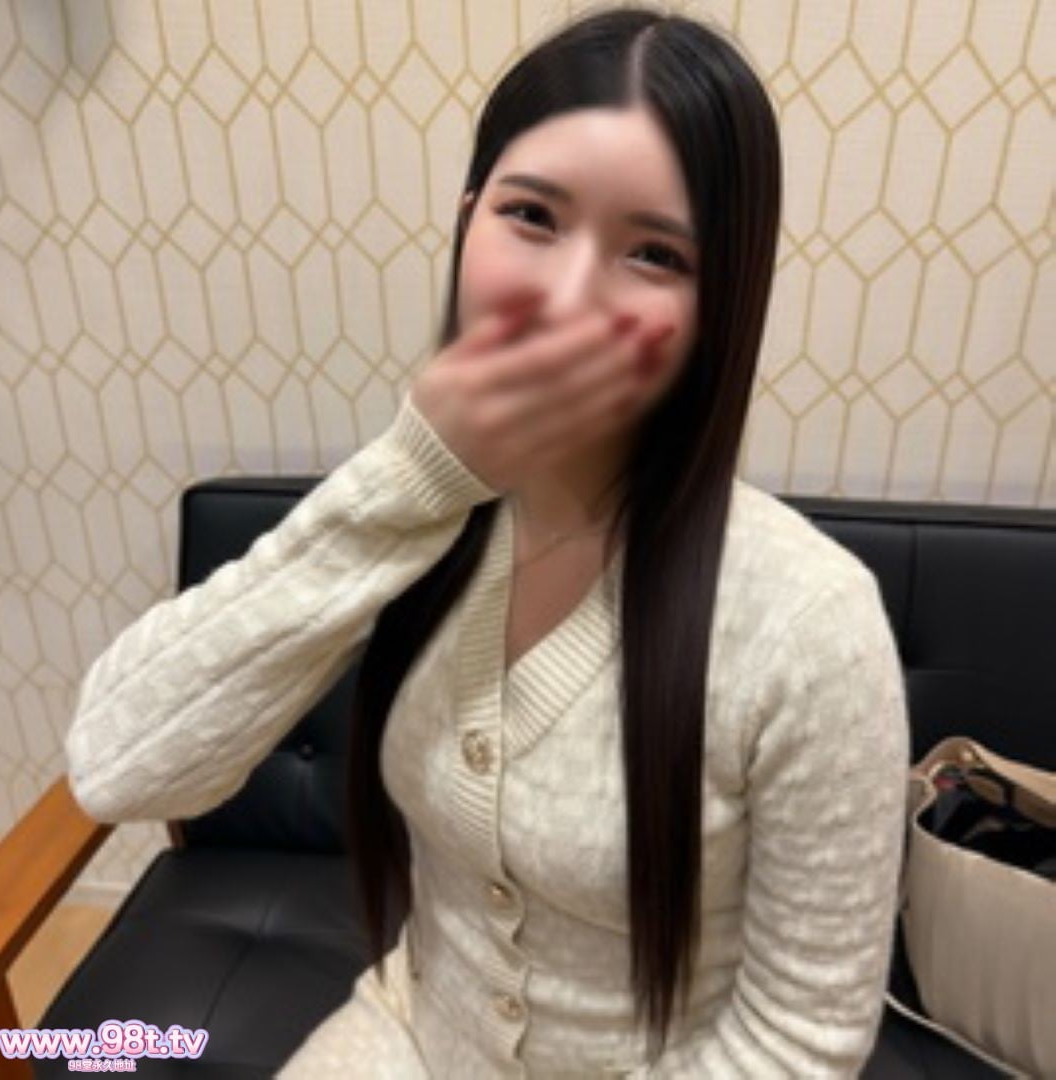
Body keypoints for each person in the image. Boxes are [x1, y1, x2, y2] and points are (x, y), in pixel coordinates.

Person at [65, 5, 910, 1077]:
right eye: (532, 216)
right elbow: (118, 766)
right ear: (468, 222)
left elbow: (801, 1039)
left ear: (720, 302)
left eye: (654, 253)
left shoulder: (811, 623)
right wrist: (413, 476)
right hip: (408, 1037)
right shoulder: (421, 515)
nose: (566, 298)